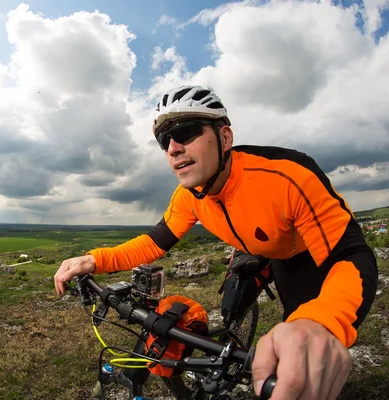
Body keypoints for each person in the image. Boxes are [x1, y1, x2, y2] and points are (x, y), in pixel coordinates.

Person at [54, 85, 379, 399]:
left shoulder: (287, 176)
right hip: (253, 248)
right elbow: (154, 242)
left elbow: (349, 255)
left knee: (299, 333)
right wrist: (95, 260)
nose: (172, 148)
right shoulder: (188, 196)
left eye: (185, 132)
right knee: (230, 310)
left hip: (303, 256)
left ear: (225, 137)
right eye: (164, 140)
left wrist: (321, 322)